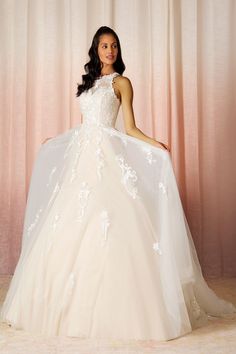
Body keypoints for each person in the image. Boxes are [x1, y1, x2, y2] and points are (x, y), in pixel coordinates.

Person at [0, 26, 235, 341]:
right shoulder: (88, 84)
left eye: (114, 46)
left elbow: (129, 127)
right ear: (95, 50)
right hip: (82, 158)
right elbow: (84, 126)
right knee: (68, 222)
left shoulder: (122, 82)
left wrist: (155, 144)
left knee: (111, 221)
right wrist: (56, 141)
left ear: (118, 51)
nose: (109, 51)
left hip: (106, 156)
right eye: (104, 46)